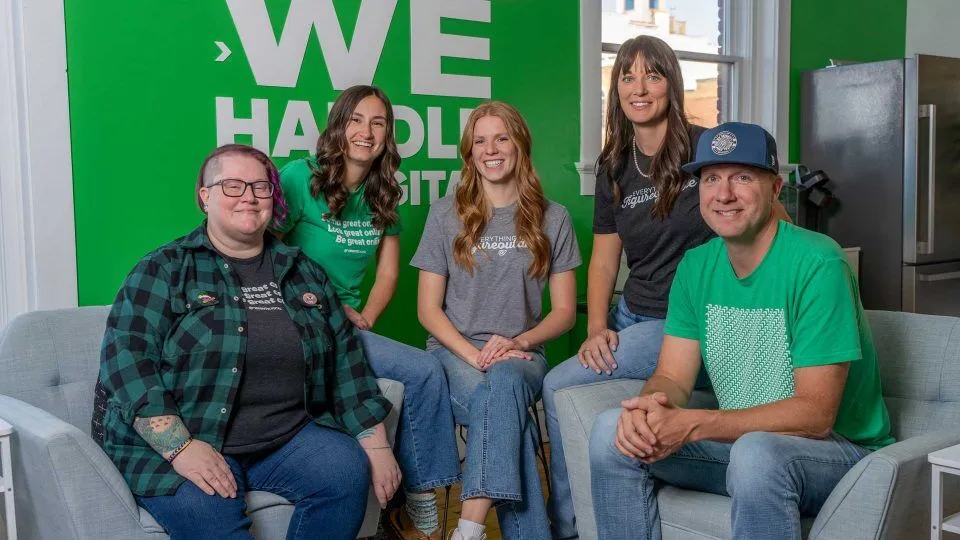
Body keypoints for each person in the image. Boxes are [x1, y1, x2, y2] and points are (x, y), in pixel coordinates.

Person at [587, 122, 894, 539]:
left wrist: (693, 424)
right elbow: (673, 376)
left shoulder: (818, 264)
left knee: (757, 452)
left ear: (775, 187)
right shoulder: (696, 266)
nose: (724, 194)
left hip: (835, 453)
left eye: (742, 177)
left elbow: (816, 414)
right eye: (711, 179)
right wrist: (648, 412)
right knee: (611, 431)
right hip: (745, 445)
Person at [540, 35, 789, 538]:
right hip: (635, 316)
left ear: (670, 84)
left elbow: (769, 221)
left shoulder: (706, 152)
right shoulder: (614, 165)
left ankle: (565, 527)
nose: (639, 87)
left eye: (651, 75)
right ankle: (568, 523)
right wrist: (595, 326)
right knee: (561, 385)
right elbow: (605, 257)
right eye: (627, 77)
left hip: (690, 320)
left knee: (556, 383)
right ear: (616, 92)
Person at [91, 144, 400, 540]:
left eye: (260, 186)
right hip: (195, 437)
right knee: (215, 521)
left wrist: (377, 447)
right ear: (205, 197)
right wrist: (181, 448)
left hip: (284, 437)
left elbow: (347, 363)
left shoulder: (304, 272)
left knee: (344, 472)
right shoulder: (164, 269)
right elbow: (126, 364)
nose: (250, 197)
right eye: (233, 186)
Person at [273, 85, 460, 540]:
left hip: (346, 328)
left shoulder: (384, 193)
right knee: (419, 370)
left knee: (425, 370)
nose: (366, 131)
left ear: (387, 136)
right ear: (338, 125)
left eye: (378, 123)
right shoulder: (299, 177)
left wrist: (366, 316)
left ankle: (416, 497)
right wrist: (316, 306)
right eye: (356, 119)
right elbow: (263, 255)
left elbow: (389, 274)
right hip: (297, 322)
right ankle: (409, 499)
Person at [412, 101, 581, 540]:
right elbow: (428, 310)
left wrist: (514, 342)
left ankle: (467, 530)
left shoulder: (554, 217)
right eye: (480, 140)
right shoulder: (444, 214)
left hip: (524, 352)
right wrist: (474, 353)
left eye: (501, 137)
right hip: (455, 353)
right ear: (469, 152)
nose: (491, 149)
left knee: (504, 383)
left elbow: (564, 312)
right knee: (510, 418)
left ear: (519, 144)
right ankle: (475, 531)